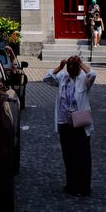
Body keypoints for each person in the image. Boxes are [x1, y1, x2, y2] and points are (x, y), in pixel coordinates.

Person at [43, 55, 96, 197]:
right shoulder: (63, 78)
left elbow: (92, 74)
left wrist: (81, 64)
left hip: (79, 123)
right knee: (68, 154)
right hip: (65, 122)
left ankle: (84, 186)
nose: (71, 70)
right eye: (69, 67)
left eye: (74, 67)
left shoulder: (84, 80)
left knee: (82, 156)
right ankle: (71, 184)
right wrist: (59, 67)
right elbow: (47, 78)